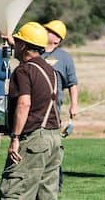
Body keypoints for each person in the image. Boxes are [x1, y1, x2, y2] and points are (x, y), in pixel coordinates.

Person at [0, 22, 62, 199]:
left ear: (24, 46)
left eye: (18, 42)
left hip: (34, 138)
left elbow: (24, 103)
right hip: (54, 137)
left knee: (14, 191)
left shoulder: (23, 70)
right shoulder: (49, 69)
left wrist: (15, 137)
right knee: (46, 195)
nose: (15, 45)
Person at [42, 20, 77, 190]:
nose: (44, 31)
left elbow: (73, 83)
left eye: (48, 30)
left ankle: (57, 182)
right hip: (34, 109)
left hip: (54, 111)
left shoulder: (65, 57)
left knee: (54, 147)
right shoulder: (36, 52)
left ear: (57, 38)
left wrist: (73, 105)